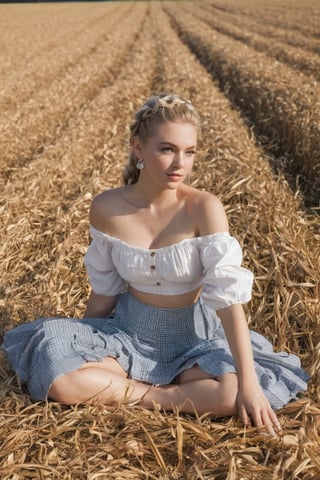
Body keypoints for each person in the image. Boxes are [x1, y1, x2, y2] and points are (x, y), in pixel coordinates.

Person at [2, 94, 308, 437]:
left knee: (232, 393)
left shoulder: (203, 208)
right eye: (167, 149)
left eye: (189, 151)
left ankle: (135, 392)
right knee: (60, 377)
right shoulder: (107, 207)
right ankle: (165, 396)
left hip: (195, 341)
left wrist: (248, 383)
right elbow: (104, 291)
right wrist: (84, 342)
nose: (180, 163)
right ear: (138, 148)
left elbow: (227, 300)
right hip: (129, 335)